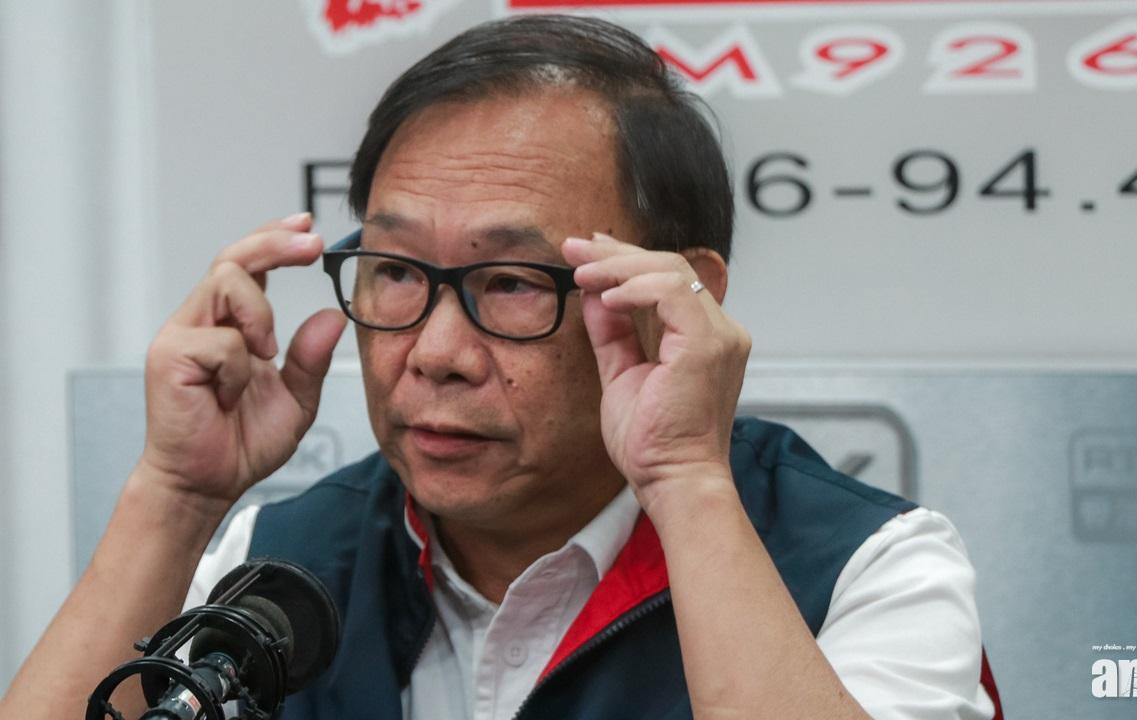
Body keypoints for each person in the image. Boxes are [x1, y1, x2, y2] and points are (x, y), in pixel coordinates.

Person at [0, 14, 1000, 720]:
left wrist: (687, 480)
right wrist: (175, 497)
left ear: (673, 300)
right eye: (396, 271)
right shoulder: (281, 560)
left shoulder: (864, 568)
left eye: (512, 282)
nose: (434, 353)